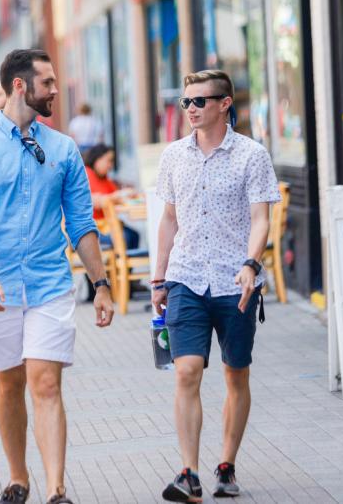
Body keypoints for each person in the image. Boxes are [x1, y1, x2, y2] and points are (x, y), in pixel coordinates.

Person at [0, 48, 115, 504]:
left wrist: (101, 285)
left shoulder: (64, 149)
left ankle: (57, 490)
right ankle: (18, 475)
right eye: (48, 82)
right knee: (9, 383)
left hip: (49, 282)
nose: (55, 90)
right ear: (21, 85)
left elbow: (82, 223)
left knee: (46, 381)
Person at [151, 70, 280, 501]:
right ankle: (188, 473)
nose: (190, 109)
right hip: (186, 277)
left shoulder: (252, 155)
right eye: (186, 101)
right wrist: (159, 276)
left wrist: (251, 263)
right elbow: (169, 219)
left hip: (235, 280)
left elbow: (262, 218)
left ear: (225, 103)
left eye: (199, 101)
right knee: (186, 370)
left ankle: (226, 462)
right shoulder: (173, 156)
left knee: (235, 372)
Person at [82, 144, 139, 300]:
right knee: (125, 238)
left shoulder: (104, 178)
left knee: (133, 235)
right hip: (94, 229)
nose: (110, 165)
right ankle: (121, 284)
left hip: (107, 227)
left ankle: (127, 279)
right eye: (108, 160)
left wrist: (125, 195)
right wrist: (119, 195)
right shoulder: (86, 175)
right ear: (97, 160)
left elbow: (113, 195)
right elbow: (95, 201)